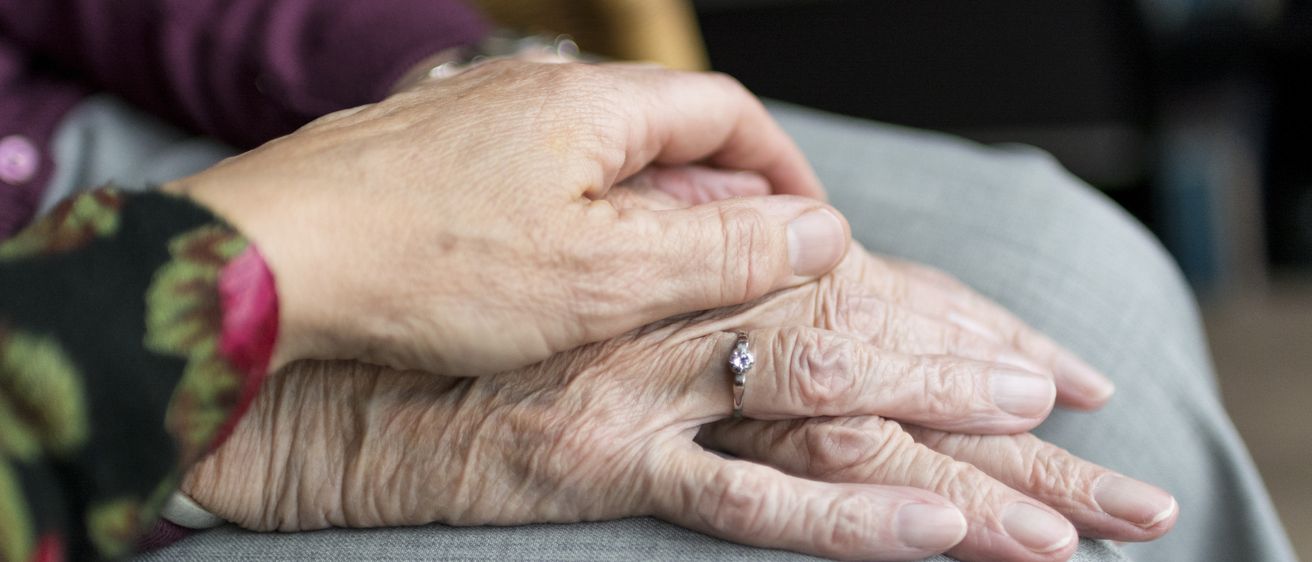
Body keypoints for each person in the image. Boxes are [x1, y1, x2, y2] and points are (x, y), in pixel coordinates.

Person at [0, 2, 1295, 562]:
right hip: (52, 420)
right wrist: (274, 410)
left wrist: (463, 100)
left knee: (1068, 278)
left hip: (112, 139)